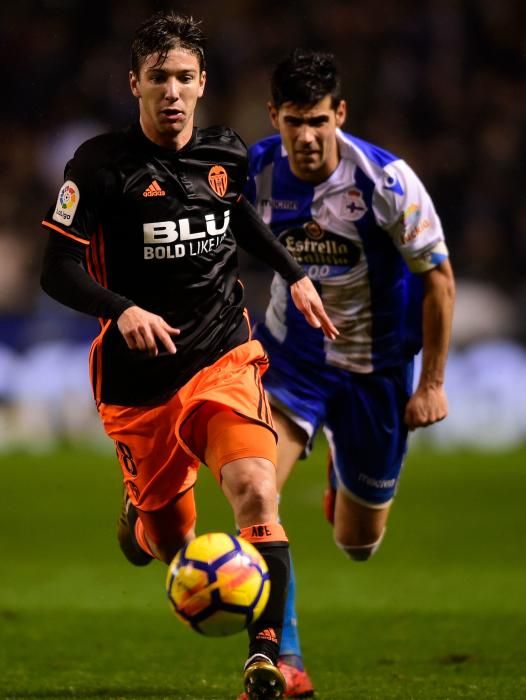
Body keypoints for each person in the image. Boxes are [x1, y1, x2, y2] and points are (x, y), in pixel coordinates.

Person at [39, 16, 338, 700]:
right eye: (158, 79)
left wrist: (292, 272)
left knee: (257, 491)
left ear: (201, 84)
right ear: (134, 84)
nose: (171, 92)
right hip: (138, 380)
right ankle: (140, 521)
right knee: (169, 543)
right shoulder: (98, 166)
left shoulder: (225, 154)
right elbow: (55, 268)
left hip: (221, 357)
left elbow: (240, 219)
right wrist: (122, 308)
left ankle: (267, 661)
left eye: (184, 78)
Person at [241, 49, 455, 698]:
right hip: (290, 362)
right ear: (273, 116)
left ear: (340, 113)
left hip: (374, 373)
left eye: (317, 121)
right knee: (256, 497)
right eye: (292, 122)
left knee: (357, 543)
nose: (306, 137)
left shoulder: (386, 181)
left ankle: (342, 466)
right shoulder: (256, 170)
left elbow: (439, 283)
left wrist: (433, 384)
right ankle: (283, 658)